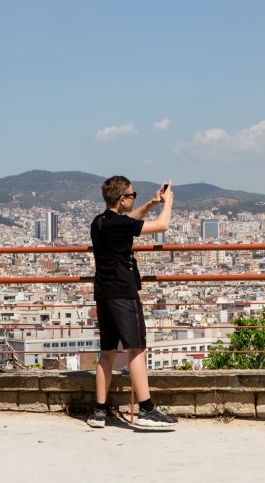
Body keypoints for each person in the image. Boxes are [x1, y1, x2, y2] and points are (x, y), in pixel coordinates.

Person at [87, 175, 177, 428]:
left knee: (107, 352)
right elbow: (162, 226)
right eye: (132, 195)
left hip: (103, 293)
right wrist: (168, 201)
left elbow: (128, 221)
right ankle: (147, 409)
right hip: (123, 293)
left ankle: (99, 412)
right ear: (122, 199)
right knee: (136, 348)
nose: (133, 198)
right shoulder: (119, 225)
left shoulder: (100, 222)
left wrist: (150, 202)